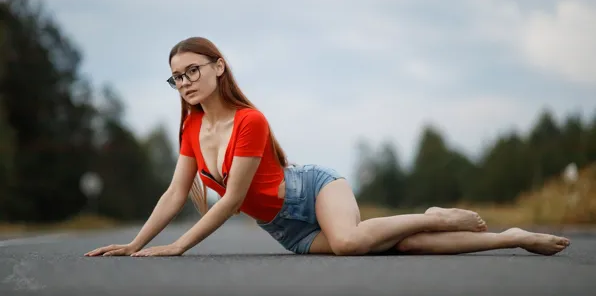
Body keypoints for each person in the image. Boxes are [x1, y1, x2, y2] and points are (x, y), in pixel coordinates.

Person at [85, 37, 571, 258]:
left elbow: (232, 199)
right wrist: (134, 244)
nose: (185, 81)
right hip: (286, 230)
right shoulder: (190, 130)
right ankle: (514, 237)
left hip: (313, 190)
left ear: (217, 67)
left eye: (193, 69)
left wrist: (177, 247)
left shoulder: (249, 120)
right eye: (177, 76)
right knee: (407, 247)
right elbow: (175, 194)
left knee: (349, 242)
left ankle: (437, 214)